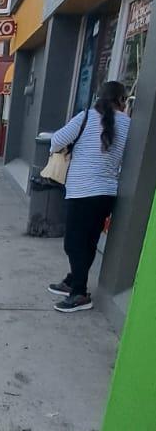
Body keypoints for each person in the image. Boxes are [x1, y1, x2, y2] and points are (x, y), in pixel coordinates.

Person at [48, 80, 130, 312]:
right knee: (89, 241)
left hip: (82, 191)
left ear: (100, 98)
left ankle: (79, 293)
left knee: (73, 244)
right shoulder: (129, 124)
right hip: (107, 194)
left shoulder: (86, 117)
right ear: (121, 101)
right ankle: (74, 280)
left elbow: (56, 142)